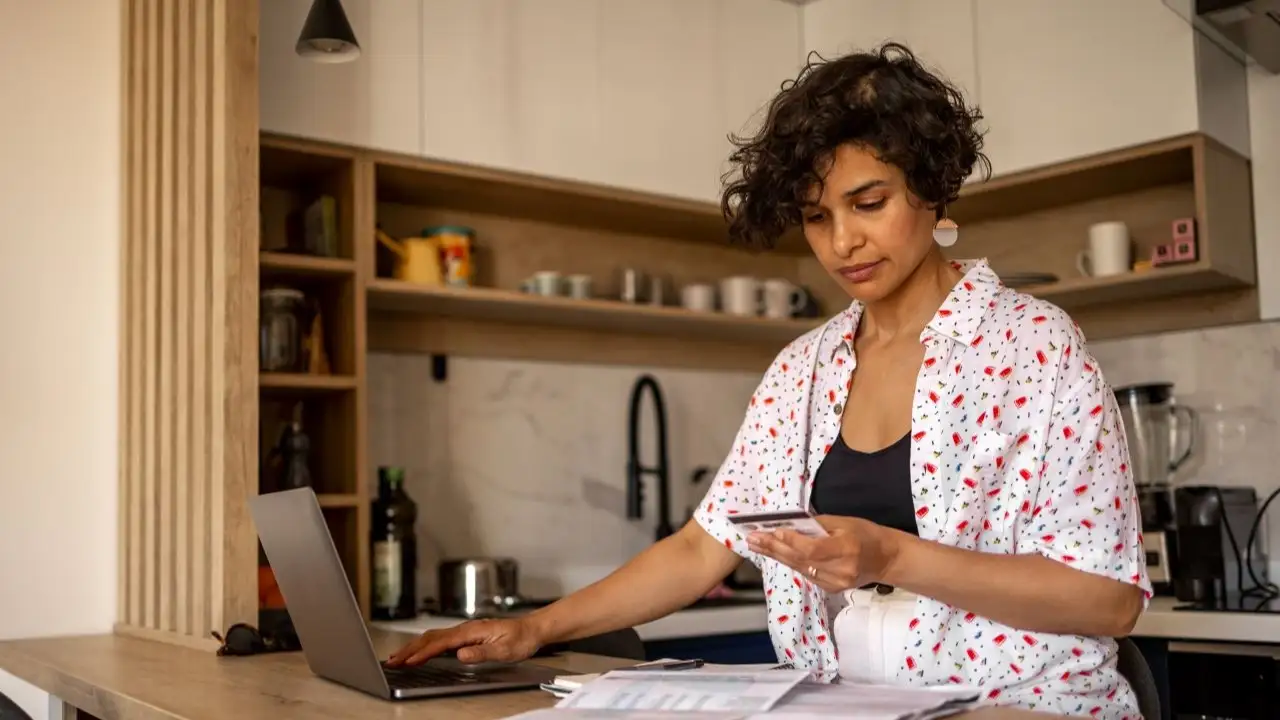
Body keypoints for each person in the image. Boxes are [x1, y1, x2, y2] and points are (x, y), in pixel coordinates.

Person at [387, 42, 1150, 719]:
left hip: (1022, 705)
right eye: (817, 217)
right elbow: (701, 548)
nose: (842, 241)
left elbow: (1109, 601)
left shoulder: (1033, 347)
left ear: (933, 190)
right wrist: (535, 627)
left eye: (869, 203)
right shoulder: (802, 370)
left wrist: (891, 557)